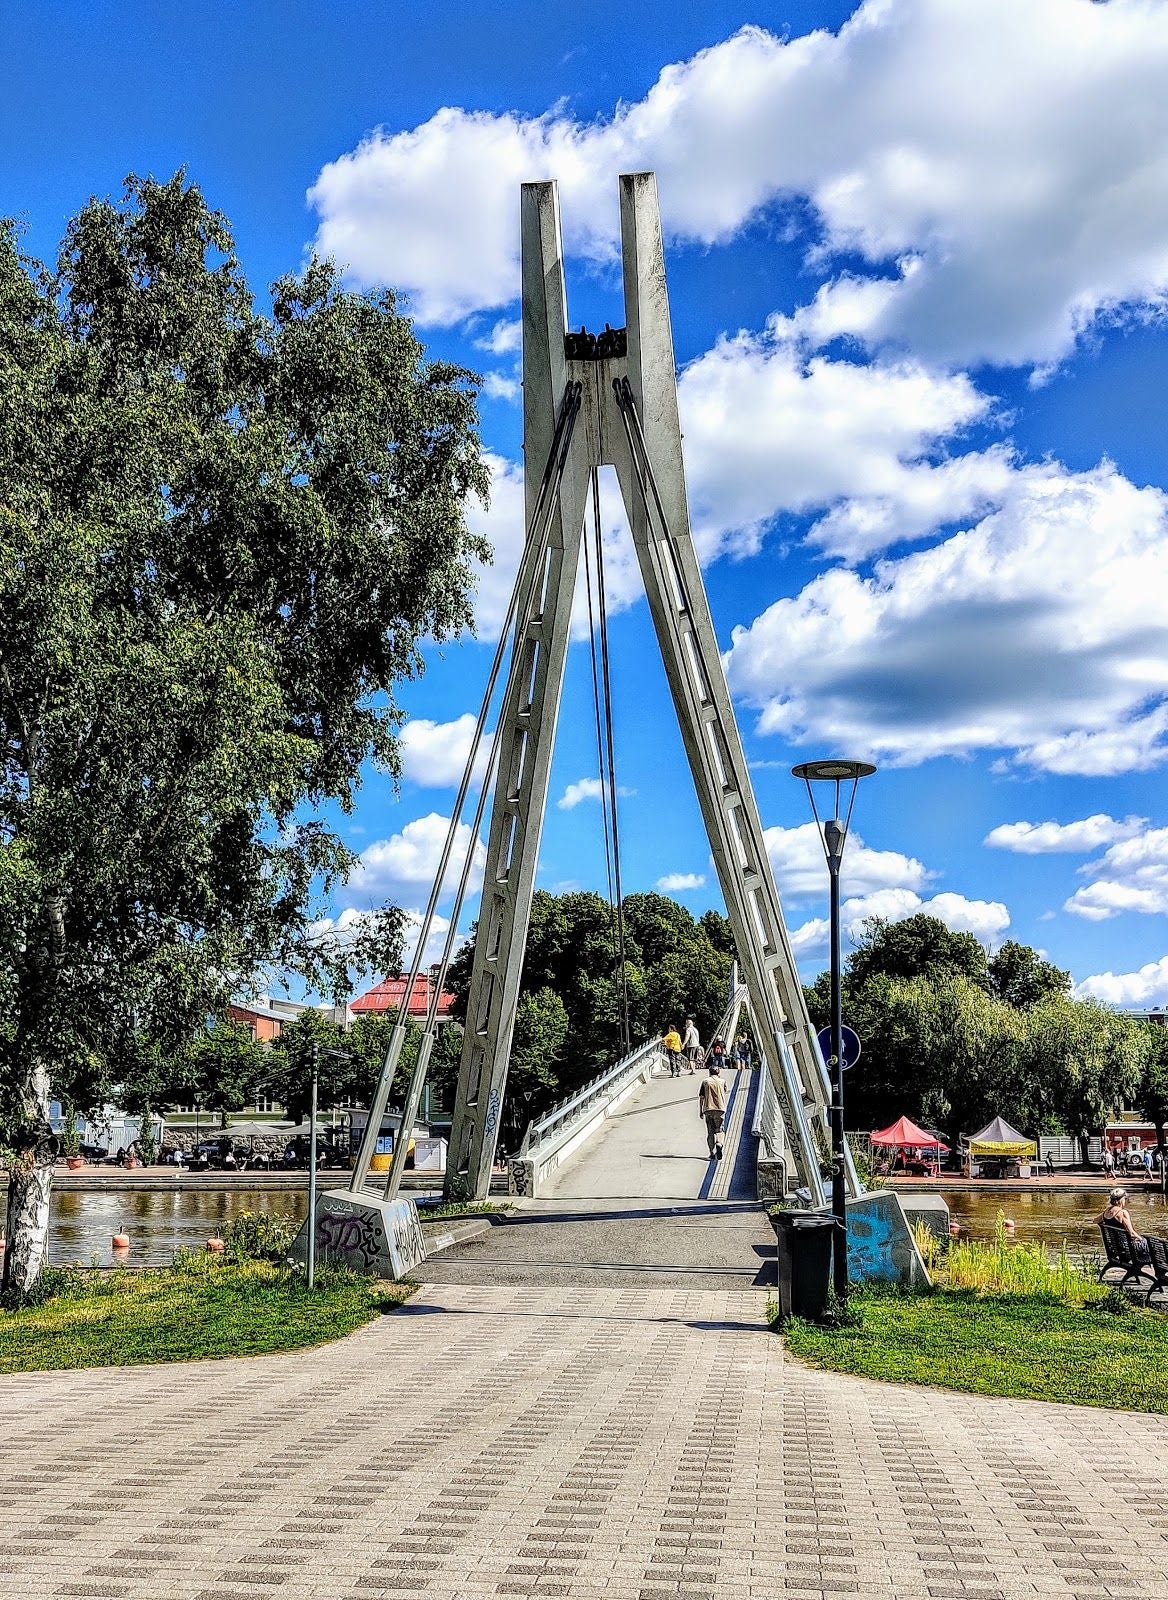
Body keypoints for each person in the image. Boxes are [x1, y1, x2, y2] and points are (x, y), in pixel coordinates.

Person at [1098, 1187, 1151, 1261]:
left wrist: (1106, 1223)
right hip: (1126, 1248)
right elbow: (1132, 1234)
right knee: (1149, 1244)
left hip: (1115, 1248)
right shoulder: (1122, 1213)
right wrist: (1141, 1239)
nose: (1125, 1201)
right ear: (1121, 1200)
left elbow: (1095, 1220)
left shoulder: (1107, 1211)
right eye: (1125, 1199)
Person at [698, 1060, 728, 1160]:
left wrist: (701, 1110)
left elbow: (702, 1097)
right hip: (720, 1109)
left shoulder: (705, 1082)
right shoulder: (723, 1081)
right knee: (720, 1130)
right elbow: (725, 1091)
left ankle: (711, 1153)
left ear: (709, 1072)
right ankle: (719, 1143)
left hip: (708, 1109)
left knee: (710, 1132)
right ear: (719, 1072)